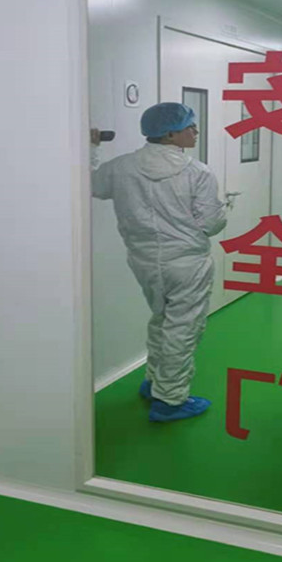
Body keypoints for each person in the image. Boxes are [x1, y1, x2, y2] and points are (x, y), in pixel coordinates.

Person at [91, 102, 227, 423]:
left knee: (161, 318)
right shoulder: (197, 172)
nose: (195, 131)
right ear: (170, 134)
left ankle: (154, 380)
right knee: (183, 327)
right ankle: (170, 400)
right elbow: (211, 224)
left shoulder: (121, 167)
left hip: (144, 261)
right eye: (189, 126)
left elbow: (91, 184)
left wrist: (92, 149)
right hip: (187, 263)